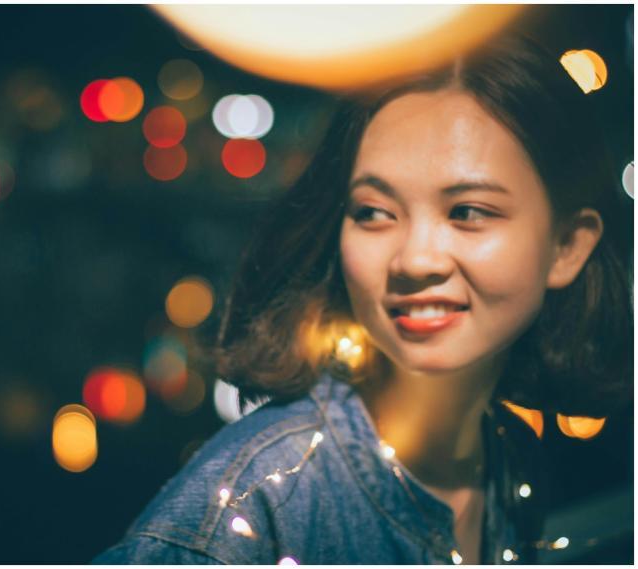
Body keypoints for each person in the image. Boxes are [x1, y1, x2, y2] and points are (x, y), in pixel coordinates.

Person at [92, 34, 632, 564]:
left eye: (468, 212)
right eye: (373, 212)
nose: (415, 261)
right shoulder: (251, 515)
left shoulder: (509, 456)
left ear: (567, 246)